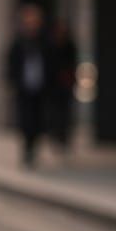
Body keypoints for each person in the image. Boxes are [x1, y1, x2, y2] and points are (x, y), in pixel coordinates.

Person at [5, 4, 50, 168]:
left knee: (38, 120)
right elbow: (11, 63)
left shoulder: (44, 41)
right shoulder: (19, 42)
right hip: (23, 88)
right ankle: (27, 149)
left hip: (39, 87)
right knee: (25, 119)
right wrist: (12, 81)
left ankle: (34, 148)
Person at [46, 17, 77, 153]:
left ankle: (63, 136)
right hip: (53, 85)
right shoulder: (50, 45)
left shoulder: (69, 45)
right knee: (54, 111)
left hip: (65, 84)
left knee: (65, 112)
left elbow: (72, 63)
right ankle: (55, 135)